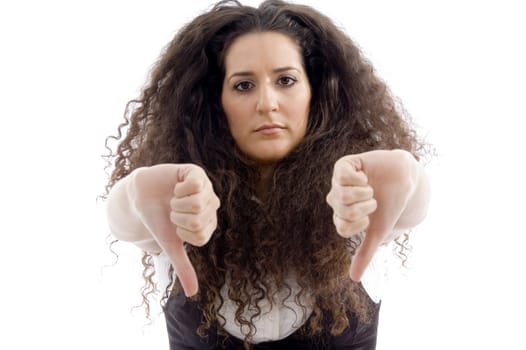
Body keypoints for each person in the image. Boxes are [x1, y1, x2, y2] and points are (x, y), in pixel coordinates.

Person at [104, 0, 431, 349]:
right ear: (215, 101)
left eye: (286, 80)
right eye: (244, 85)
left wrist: (411, 178)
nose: (267, 103)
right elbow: (125, 219)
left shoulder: (357, 202)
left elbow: (410, 205)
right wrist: (133, 195)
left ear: (315, 92)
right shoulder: (180, 209)